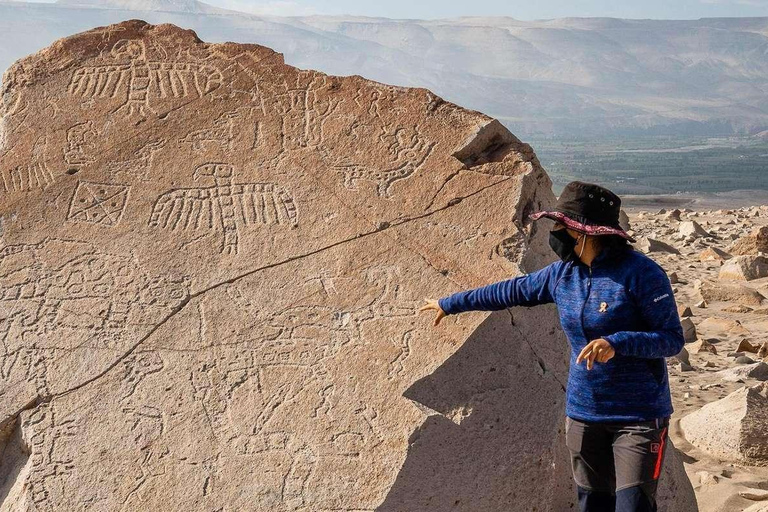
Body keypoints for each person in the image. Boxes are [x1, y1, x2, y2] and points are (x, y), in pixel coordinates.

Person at [420, 181, 685, 512]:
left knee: (634, 507)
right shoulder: (562, 275)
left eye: (561, 224)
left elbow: (672, 339)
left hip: (639, 418)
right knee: (592, 505)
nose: (555, 230)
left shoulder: (642, 275)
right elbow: (508, 292)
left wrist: (618, 342)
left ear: (584, 232)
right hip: (584, 414)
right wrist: (450, 303)